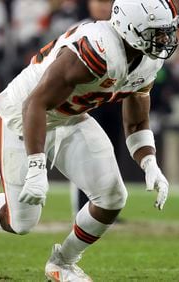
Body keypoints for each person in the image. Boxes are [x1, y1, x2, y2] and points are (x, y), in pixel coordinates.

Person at [0, 0, 178, 280]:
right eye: (156, 31)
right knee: (20, 223)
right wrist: (36, 168)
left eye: (166, 31)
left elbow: (137, 120)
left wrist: (150, 163)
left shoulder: (147, 59)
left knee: (112, 197)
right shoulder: (94, 48)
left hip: (69, 117)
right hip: (19, 117)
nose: (164, 39)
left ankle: (63, 262)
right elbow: (35, 104)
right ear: (129, 27)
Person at [69, 0, 115, 217]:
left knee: (110, 153)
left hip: (114, 100)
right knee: (86, 156)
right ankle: (81, 208)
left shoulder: (121, 28)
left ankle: (104, 207)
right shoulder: (80, 29)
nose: (103, 6)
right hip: (86, 100)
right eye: (99, 1)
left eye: (108, 1)